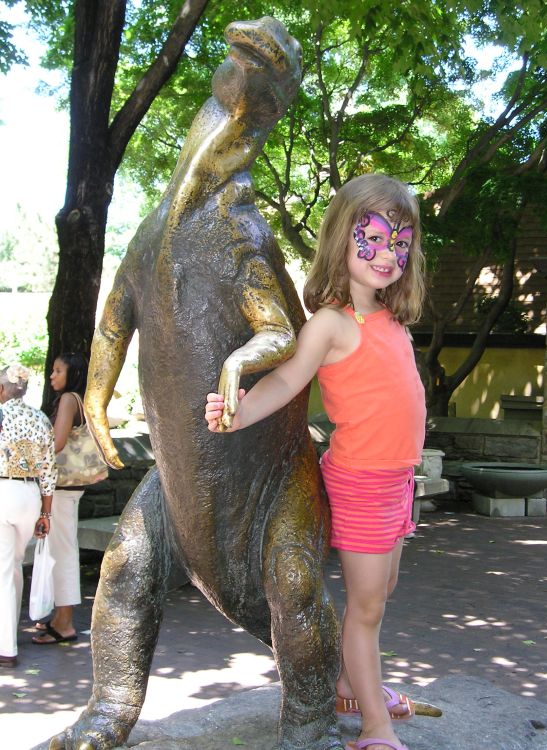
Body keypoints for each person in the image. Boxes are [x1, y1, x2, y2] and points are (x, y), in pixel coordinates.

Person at [205, 173, 426, 750]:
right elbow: (287, 381)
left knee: (383, 590)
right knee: (366, 610)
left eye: (400, 243)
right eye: (372, 239)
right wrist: (238, 412)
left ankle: (353, 685)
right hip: (363, 484)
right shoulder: (331, 323)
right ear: (341, 239)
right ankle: (375, 727)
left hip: (398, 482)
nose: (387, 254)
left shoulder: (392, 320)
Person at [0, 364, 57, 667]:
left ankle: (6, 648)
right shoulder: (41, 419)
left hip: (2, 491)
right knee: (13, 567)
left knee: (4, 570)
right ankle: (7, 634)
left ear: (1, 389)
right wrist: (46, 513)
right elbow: (49, 471)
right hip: (30, 497)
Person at [32, 352, 89, 646]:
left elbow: (57, 443)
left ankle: (65, 622)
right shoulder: (74, 399)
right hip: (65, 488)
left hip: (62, 489)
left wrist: (25, 453)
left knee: (63, 552)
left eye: (57, 371)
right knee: (59, 550)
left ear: (72, 375)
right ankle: (58, 615)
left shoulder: (68, 399)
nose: (51, 375)